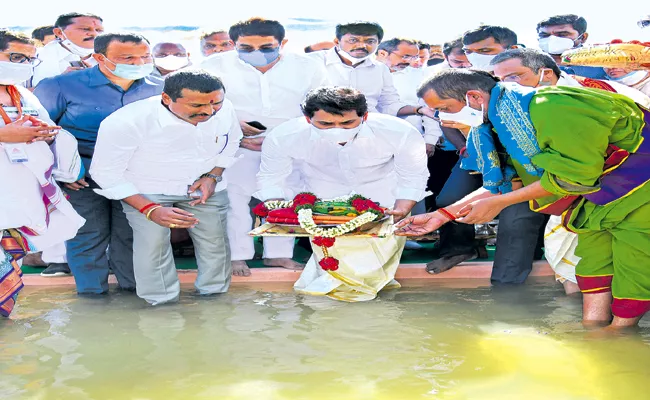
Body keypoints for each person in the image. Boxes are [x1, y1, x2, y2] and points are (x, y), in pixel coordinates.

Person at [402, 68, 650, 329]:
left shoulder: (551, 106)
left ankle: (620, 333)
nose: (442, 119)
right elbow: (506, 183)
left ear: (474, 97)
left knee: (634, 264)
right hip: (594, 199)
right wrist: (443, 215)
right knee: (593, 262)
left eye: (445, 108)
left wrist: (498, 203)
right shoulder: (496, 122)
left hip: (637, 189)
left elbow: (571, 179)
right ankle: (594, 328)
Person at [491, 48, 650, 294]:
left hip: (627, 184)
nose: (506, 86)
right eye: (499, 80)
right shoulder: (512, 105)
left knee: (629, 258)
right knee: (569, 257)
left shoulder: (602, 93)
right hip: (571, 187)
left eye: (514, 77)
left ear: (544, 73)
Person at [256, 87, 429, 301]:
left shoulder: (398, 130)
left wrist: (403, 208)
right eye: (326, 124)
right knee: (332, 255)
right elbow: (271, 177)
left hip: (383, 194)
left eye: (347, 123)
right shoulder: (285, 135)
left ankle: (365, 303)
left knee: (377, 257)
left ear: (364, 116)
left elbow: (413, 175)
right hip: (323, 198)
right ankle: (338, 304)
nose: (337, 129)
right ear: (308, 119)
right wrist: (280, 212)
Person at [90, 70, 241, 305]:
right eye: (197, 105)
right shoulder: (126, 121)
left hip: (205, 186)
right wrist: (150, 209)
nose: (209, 112)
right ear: (166, 98)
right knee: (152, 246)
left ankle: (215, 301)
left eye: (216, 104)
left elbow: (232, 141)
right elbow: (104, 172)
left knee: (215, 243)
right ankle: (161, 304)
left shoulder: (225, 108)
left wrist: (213, 175)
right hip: (147, 189)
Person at [33, 33, 163, 294]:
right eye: (128, 58)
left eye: (145, 56)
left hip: (136, 176)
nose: (138, 62)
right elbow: (40, 133)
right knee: (87, 236)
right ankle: (92, 300)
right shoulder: (59, 85)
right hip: (81, 177)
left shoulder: (160, 87)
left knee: (133, 237)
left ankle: (134, 297)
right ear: (99, 57)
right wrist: (64, 171)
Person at [201, 17, 329, 277]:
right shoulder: (213, 66)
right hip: (233, 143)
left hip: (290, 143)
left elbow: (320, 104)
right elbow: (201, 104)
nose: (256, 53)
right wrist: (234, 127)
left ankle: (278, 255)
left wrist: (285, 139)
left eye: (267, 47)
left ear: (283, 43)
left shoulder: (308, 66)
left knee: (285, 198)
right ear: (233, 43)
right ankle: (237, 256)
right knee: (234, 201)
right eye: (246, 48)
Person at [0, 30, 85, 316]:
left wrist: (45, 134)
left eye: (30, 60)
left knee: (9, 272)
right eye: (15, 57)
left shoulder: (21, 92)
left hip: (18, 197)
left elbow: (45, 129)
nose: (23, 64)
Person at [308, 21, 434, 119]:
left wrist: (419, 110)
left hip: (367, 133)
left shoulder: (380, 70)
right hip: (320, 131)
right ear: (337, 41)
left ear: (378, 43)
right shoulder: (311, 62)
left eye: (370, 41)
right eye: (353, 40)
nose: (362, 45)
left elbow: (389, 105)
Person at [32, 12, 104, 87]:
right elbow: (23, 92)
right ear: (59, 32)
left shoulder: (110, 56)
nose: (94, 34)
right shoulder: (33, 58)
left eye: (99, 30)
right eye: (85, 29)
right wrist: (60, 81)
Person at [536, 14, 608, 80]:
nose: (552, 39)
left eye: (562, 34)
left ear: (583, 37)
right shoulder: (529, 63)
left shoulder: (602, 63)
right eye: (544, 35)